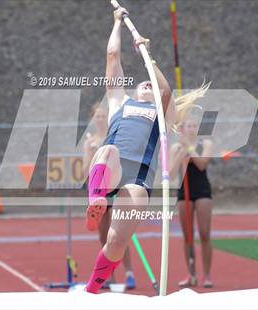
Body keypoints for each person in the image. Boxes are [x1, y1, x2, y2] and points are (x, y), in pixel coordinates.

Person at [83, 7, 206, 294]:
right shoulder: (119, 103)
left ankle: (92, 288)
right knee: (109, 150)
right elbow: (112, 58)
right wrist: (116, 23)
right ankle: (96, 202)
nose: (148, 84)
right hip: (110, 171)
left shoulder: (163, 115)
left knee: (116, 242)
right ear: (135, 90)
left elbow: (165, 92)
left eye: (150, 83)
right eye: (144, 82)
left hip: (137, 180)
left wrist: (148, 57)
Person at [82, 104, 136, 289]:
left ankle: (129, 273)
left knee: (119, 234)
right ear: (93, 119)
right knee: (104, 235)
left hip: (116, 188)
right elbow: (84, 172)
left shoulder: (116, 138)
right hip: (99, 192)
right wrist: (91, 153)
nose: (100, 119)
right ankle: (108, 277)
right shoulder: (89, 142)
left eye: (103, 115)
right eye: (97, 116)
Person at [169, 117, 213, 288]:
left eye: (195, 125)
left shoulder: (206, 144)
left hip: (202, 191)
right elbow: (171, 174)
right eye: (189, 125)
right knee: (188, 236)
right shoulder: (176, 147)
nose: (192, 128)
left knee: (204, 234)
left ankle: (207, 275)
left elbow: (202, 164)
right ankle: (191, 274)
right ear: (183, 128)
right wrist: (181, 153)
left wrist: (189, 148)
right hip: (183, 192)